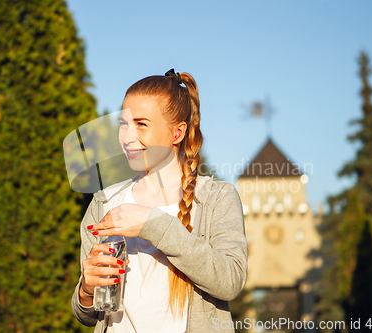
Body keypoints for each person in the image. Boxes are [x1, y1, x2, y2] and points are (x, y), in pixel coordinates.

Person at [71, 69, 248, 333]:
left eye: (141, 124)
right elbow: (85, 313)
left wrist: (152, 223)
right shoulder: (103, 202)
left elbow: (230, 281)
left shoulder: (216, 198)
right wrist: (86, 289)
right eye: (123, 124)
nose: (127, 137)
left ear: (176, 134)